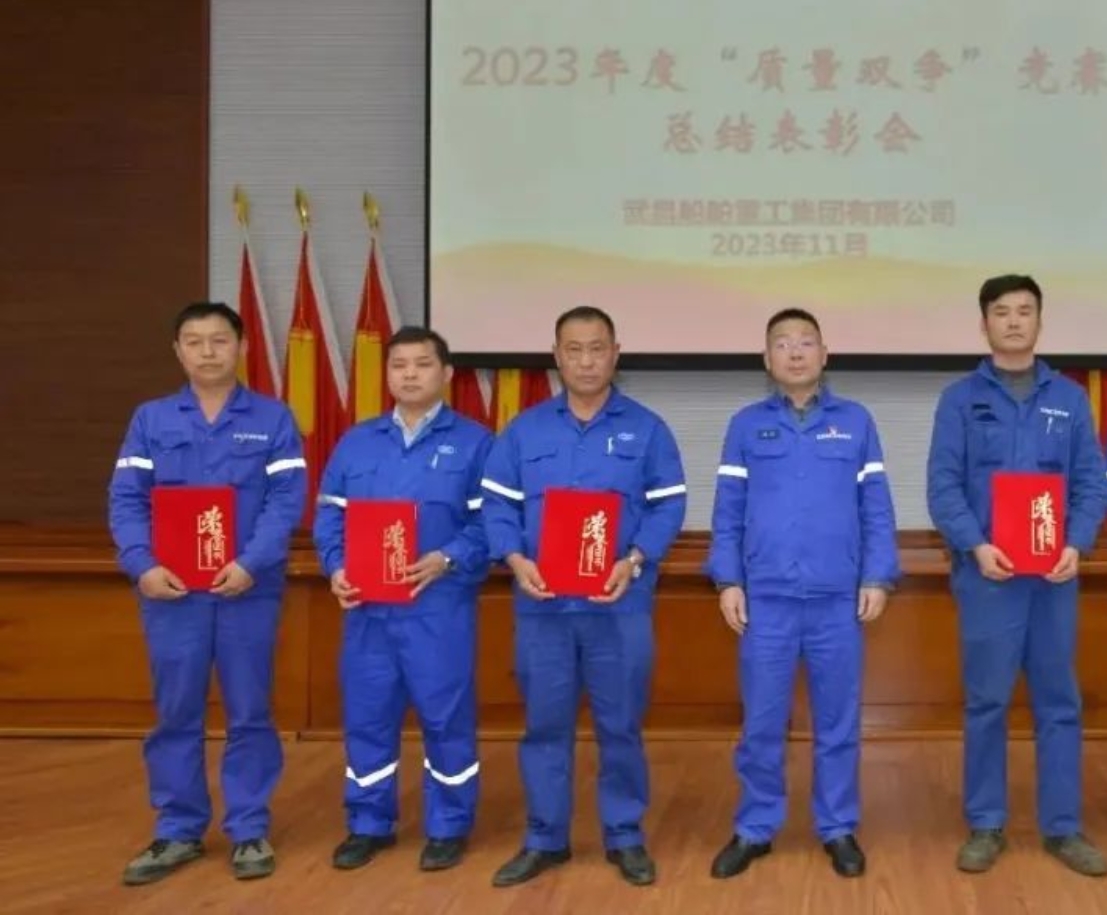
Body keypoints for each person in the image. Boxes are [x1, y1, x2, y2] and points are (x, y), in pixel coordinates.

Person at [479, 306, 687, 888]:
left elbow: (669, 505)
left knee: (620, 725)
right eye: (574, 350)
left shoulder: (647, 429)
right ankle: (544, 838)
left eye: (598, 349)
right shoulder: (524, 430)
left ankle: (625, 835)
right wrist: (513, 557)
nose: (587, 361)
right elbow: (496, 504)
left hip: (617, 604)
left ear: (615, 354)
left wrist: (635, 558)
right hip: (543, 605)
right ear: (557, 357)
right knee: (545, 726)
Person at [108, 302, 307, 884]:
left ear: (241, 346)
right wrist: (141, 565)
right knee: (176, 711)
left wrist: (252, 562)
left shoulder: (272, 418)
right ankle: (178, 829)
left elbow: (287, 501)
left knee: (250, 710)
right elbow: (126, 498)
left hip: (248, 589)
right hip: (171, 593)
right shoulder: (150, 419)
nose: (207, 351)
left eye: (219, 340)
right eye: (194, 341)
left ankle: (249, 829)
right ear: (178, 351)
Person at [926, 274, 1107, 877]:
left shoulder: (1070, 399)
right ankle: (986, 824)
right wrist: (976, 546)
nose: (1013, 321)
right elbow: (943, 487)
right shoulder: (960, 399)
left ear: (1039, 321)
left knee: (1060, 702)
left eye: (1024, 311)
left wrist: (1077, 544)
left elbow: (1091, 482)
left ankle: (1063, 828)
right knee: (987, 701)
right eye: (1001, 312)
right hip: (989, 578)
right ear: (984, 324)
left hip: (1054, 578)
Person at [705, 308, 899, 880]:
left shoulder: (856, 422)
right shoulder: (745, 426)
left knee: (838, 722)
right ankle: (755, 826)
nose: (795, 352)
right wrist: (728, 580)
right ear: (766, 359)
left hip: (837, 600)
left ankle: (837, 827)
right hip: (766, 601)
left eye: (806, 342)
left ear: (824, 354)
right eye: (782, 343)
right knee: (762, 723)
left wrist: (877, 576)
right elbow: (728, 512)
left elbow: (876, 508)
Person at [311, 326, 493, 872]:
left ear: (447, 373)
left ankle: (449, 825)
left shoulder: (476, 443)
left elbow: (493, 523)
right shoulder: (357, 442)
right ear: (386, 374)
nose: (410, 374)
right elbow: (329, 517)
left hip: (439, 606)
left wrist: (448, 558)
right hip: (368, 609)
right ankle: (368, 823)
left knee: (445, 717)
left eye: (422, 364)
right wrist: (336, 568)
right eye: (399, 365)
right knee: (367, 716)